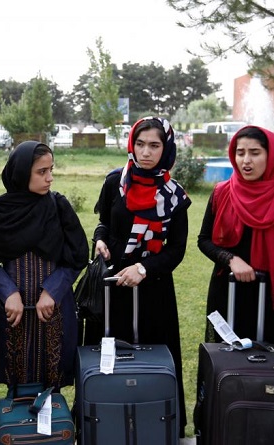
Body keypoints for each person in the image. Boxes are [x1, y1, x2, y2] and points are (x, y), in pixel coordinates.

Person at [90, 117, 191, 437]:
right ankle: (106, 422)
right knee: (109, 362)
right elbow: (104, 223)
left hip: (154, 292)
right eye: (141, 144)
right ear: (131, 144)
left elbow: (176, 250)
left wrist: (144, 269)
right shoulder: (114, 182)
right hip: (113, 288)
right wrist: (100, 240)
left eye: (155, 145)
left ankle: (155, 423)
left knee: (153, 361)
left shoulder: (175, 196)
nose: (146, 152)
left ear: (167, 148)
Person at [0, 141, 89, 391]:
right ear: (21, 172)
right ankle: (18, 430)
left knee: (53, 383)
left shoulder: (58, 207)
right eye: (41, 172)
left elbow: (77, 256)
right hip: (14, 311)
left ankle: (53, 430)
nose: (49, 178)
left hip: (54, 309)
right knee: (16, 381)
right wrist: (9, 292)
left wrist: (52, 291)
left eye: (51, 170)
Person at [198, 125, 274, 345]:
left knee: (272, 368)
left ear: (271, 155)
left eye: (255, 153)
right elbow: (204, 240)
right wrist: (231, 259)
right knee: (226, 365)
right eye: (240, 152)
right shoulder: (221, 192)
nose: (246, 160)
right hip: (228, 290)